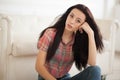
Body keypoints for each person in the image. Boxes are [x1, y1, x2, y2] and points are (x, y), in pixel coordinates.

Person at [35, 4, 104, 80]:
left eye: (78, 21)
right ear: (67, 15)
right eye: (71, 16)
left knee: (95, 70)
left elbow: (92, 63)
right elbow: (39, 66)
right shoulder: (50, 34)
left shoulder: (77, 41)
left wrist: (91, 34)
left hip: (65, 78)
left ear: (81, 26)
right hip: (46, 78)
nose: (72, 21)